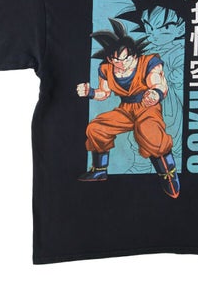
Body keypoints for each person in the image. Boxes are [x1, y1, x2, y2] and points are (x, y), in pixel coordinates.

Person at [76, 17, 180, 199]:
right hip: (125, 109)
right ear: (110, 58)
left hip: (147, 107)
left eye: (127, 58)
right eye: (117, 60)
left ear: (134, 55)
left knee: (150, 134)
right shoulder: (106, 69)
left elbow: (159, 83)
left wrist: (155, 94)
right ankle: (99, 170)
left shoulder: (149, 62)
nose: (122, 63)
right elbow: (104, 93)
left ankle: (168, 174)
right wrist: (90, 92)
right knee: (96, 128)